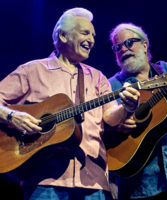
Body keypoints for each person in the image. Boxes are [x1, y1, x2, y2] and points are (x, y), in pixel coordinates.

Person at [0, 9, 140, 200]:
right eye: (85, 33)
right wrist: (12, 117)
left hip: (94, 181)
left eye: (93, 35)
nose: (91, 39)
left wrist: (127, 107)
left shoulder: (98, 77)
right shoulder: (32, 70)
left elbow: (110, 117)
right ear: (63, 35)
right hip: (43, 181)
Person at [108, 22, 167, 200]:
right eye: (117, 47)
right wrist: (118, 124)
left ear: (144, 45)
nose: (123, 49)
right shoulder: (110, 86)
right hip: (142, 184)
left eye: (129, 43)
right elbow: (101, 129)